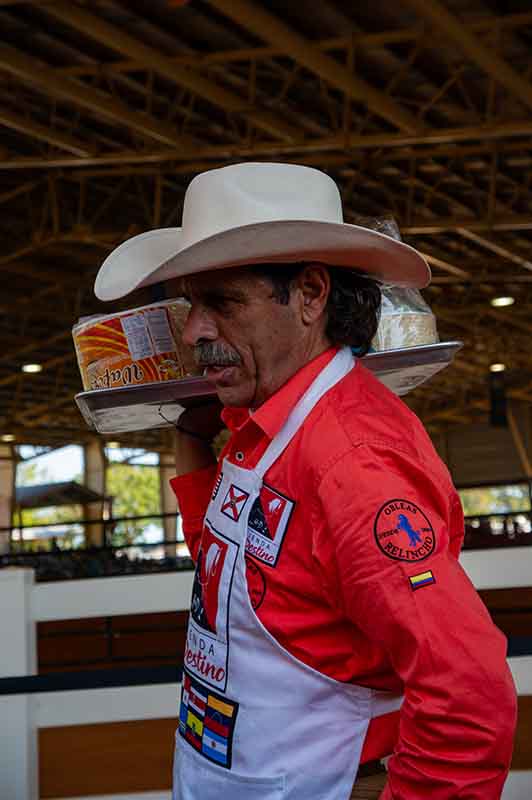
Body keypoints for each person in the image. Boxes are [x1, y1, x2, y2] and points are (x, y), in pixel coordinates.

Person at [95, 162, 517, 800]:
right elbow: (229, 568)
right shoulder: (271, 422)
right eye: (192, 302)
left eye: (223, 302)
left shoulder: (354, 462)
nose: (193, 330)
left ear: (311, 295)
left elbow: (468, 697)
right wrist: (191, 435)